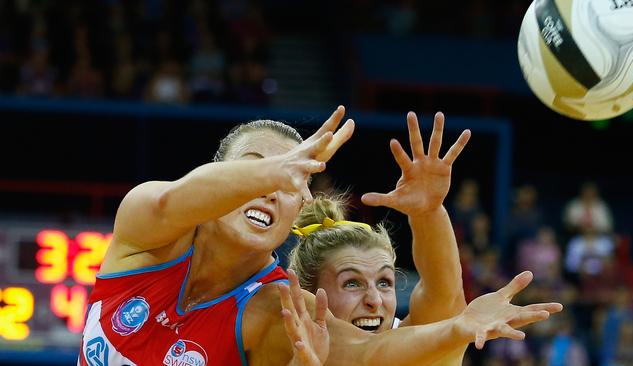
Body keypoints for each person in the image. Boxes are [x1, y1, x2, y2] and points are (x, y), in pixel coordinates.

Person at [79, 106, 561, 366]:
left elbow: (373, 353)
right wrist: (280, 169)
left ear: (299, 210)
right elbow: (172, 201)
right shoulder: (147, 231)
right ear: (216, 174)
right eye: (255, 170)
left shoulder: (280, 311)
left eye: (289, 184)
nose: (270, 188)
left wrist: (458, 327)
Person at [287, 112, 557, 364]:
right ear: (307, 295)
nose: (375, 300)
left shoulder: (417, 351)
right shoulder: (272, 343)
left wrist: (429, 213)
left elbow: (443, 296)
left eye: (384, 282)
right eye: (352, 283)